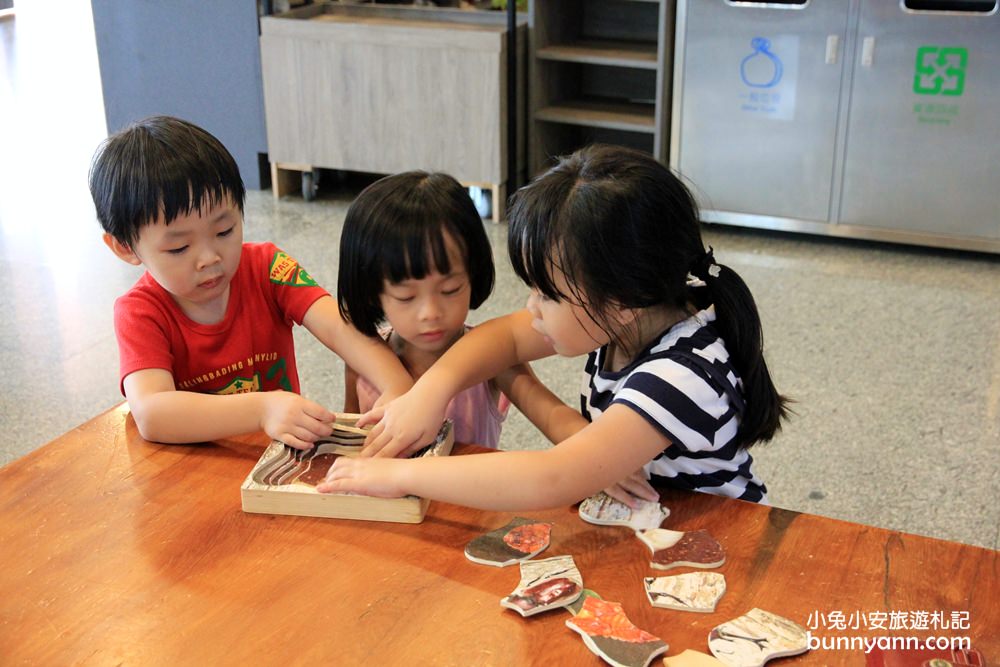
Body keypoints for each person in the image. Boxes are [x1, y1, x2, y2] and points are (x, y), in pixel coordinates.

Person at [318, 144, 789, 510]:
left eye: (548, 293)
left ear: (620, 299)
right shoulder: (629, 317)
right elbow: (499, 338)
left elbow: (550, 478)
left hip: (717, 539)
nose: (532, 309)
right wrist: (429, 391)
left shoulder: (677, 377)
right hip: (650, 521)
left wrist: (396, 476)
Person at [89, 116, 412, 449]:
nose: (210, 257)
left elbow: (339, 327)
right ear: (125, 247)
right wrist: (261, 408)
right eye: (179, 247)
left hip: (278, 460)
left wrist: (397, 385)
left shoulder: (267, 267)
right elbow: (152, 413)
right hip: (193, 473)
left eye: (224, 231)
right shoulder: (140, 312)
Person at [336, 170, 562, 448]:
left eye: (450, 290)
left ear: (473, 275)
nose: (430, 312)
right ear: (373, 293)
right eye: (406, 297)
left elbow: (552, 416)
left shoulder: (492, 360)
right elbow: (349, 439)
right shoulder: (362, 360)